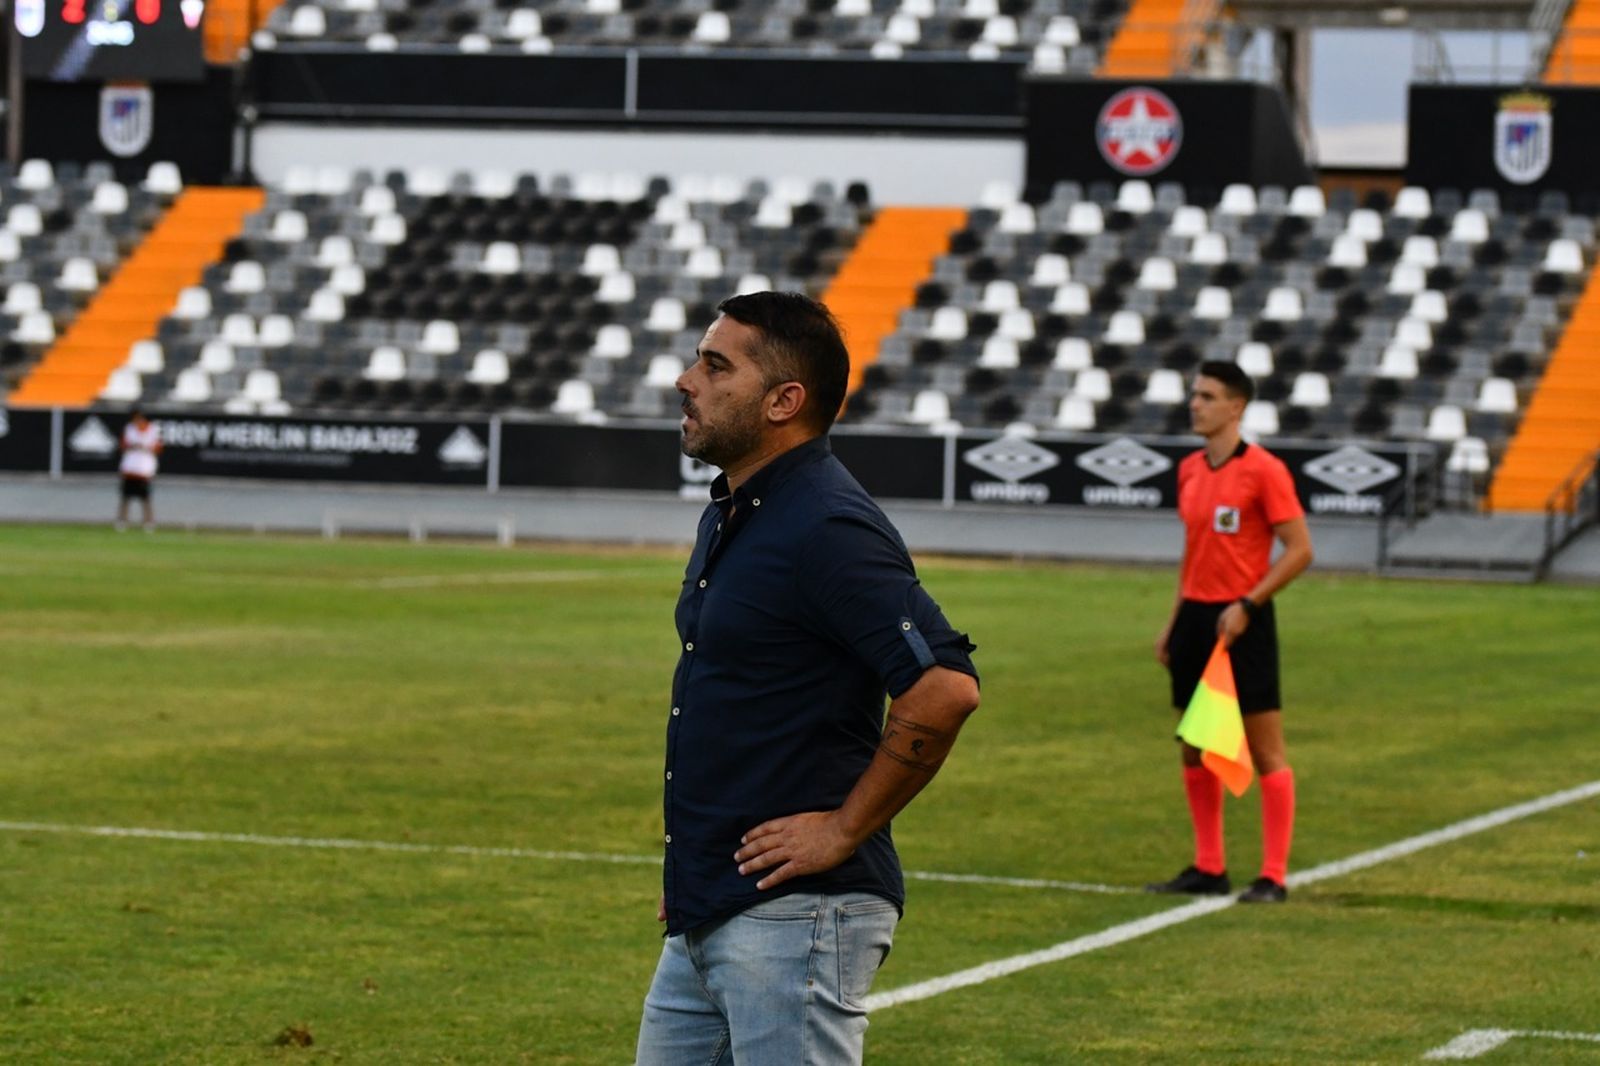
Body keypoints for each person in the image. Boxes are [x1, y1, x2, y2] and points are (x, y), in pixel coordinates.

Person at [635, 292, 980, 1066]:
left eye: (715, 365)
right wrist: (693, 870)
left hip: (797, 919)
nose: (686, 380)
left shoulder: (825, 523)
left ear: (784, 401)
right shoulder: (740, 508)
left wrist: (841, 828)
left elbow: (944, 686)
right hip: (711, 904)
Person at [1149, 361, 1313, 905]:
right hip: (1197, 618)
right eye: (1194, 394)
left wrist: (1249, 603)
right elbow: (1192, 552)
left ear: (1236, 406)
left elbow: (1300, 550)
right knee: (1196, 746)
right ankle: (1209, 866)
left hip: (1244, 620)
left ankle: (1273, 876)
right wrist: (1174, 623)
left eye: (1208, 396)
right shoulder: (1191, 469)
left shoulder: (1264, 470)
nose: (1195, 404)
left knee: (1265, 749)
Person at [116, 409, 162, 532]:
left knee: (145, 499)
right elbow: (123, 445)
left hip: (144, 470)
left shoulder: (153, 430)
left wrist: (145, 447)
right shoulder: (129, 429)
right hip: (130, 468)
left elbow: (158, 448)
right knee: (126, 497)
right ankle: (122, 521)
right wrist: (133, 446)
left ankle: (148, 522)